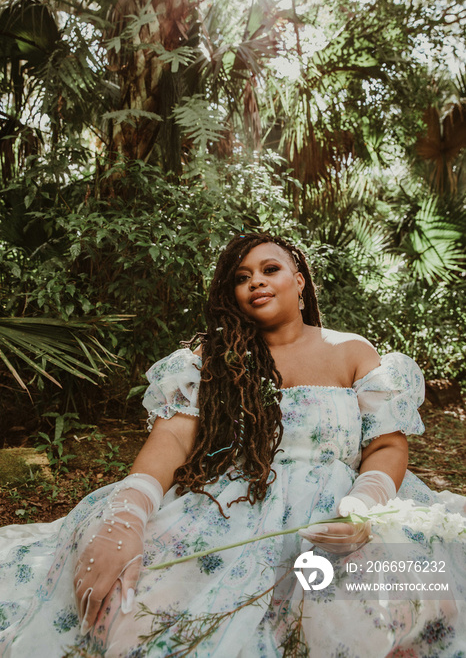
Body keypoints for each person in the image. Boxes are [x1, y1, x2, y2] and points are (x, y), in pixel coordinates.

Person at [0, 231, 465, 658]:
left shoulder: (351, 350)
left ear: (299, 281)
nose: (255, 282)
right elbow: (173, 436)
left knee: (388, 607)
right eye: (242, 277)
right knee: (140, 614)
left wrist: (366, 505)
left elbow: (386, 444)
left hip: (341, 510)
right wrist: (130, 510)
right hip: (229, 507)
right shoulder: (214, 356)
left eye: (270, 269)